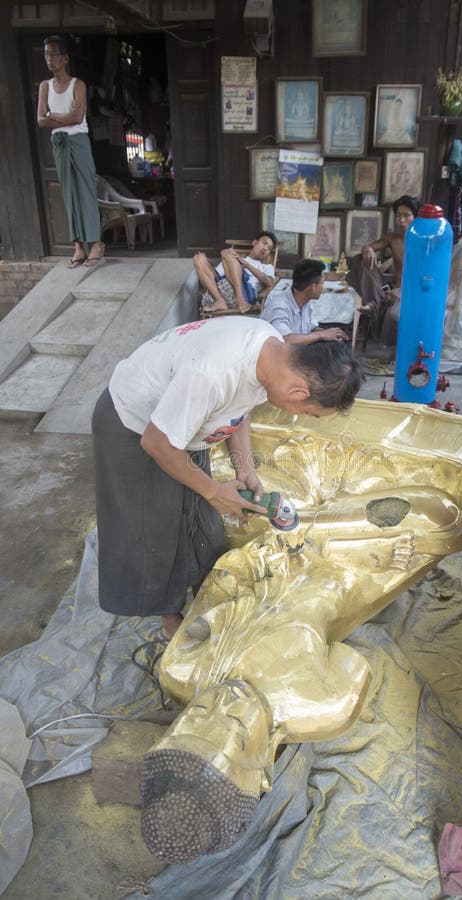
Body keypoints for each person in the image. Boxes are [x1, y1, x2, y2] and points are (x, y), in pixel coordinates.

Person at [91, 316, 363, 641]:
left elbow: (241, 407)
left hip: (182, 426)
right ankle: (170, 619)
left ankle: (204, 593)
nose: (298, 416)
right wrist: (213, 492)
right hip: (135, 424)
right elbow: (157, 443)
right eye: (307, 412)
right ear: (298, 391)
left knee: (198, 515)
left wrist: (244, 467)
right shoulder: (214, 373)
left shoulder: (272, 353)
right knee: (155, 525)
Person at [37, 35, 103, 268]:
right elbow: (40, 120)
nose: (50, 59)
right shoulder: (45, 87)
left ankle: (95, 244)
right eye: (46, 54)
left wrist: (54, 117)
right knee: (69, 194)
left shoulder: (78, 85)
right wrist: (61, 119)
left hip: (78, 142)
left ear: (65, 58)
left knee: (85, 190)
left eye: (54, 54)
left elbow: (77, 117)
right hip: (60, 144)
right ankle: (78, 247)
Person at [348, 195, 421, 349]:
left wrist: (403, 291)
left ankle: (393, 350)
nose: (401, 220)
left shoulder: (426, 244)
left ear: (416, 217)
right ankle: (373, 304)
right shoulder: (392, 238)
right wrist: (368, 250)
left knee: (394, 316)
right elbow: (368, 247)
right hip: (387, 291)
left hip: (411, 293)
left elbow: (428, 277)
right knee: (361, 260)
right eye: (399, 216)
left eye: (406, 215)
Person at [261, 258, 348, 345]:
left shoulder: (305, 301)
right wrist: (321, 334)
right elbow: (285, 339)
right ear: (313, 287)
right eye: (322, 283)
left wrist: (332, 333)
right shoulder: (279, 305)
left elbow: (310, 329)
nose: (323, 288)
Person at [194, 231, 277, 314]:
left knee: (228, 253)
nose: (265, 248)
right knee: (199, 258)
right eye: (264, 243)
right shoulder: (234, 259)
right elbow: (216, 276)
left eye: (269, 248)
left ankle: (240, 298)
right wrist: (208, 266)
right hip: (224, 288)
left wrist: (245, 263)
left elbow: (269, 282)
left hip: (245, 294)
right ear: (255, 243)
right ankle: (219, 301)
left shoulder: (267, 267)